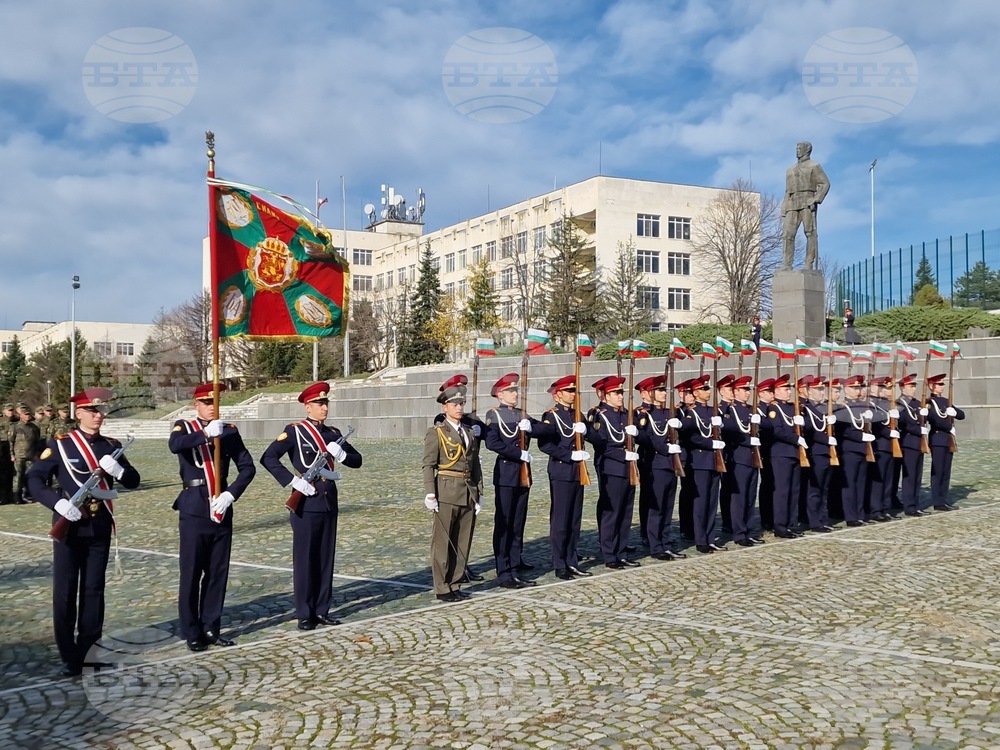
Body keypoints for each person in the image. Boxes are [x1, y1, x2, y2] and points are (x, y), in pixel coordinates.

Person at [26, 388, 140, 677]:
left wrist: (119, 472)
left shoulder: (111, 445)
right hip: (69, 525)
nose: (98, 415)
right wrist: (57, 502)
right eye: (92, 410)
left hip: (98, 525)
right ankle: (69, 655)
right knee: (65, 591)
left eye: (101, 411)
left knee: (93, 590)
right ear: (78, 413)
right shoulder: (61, 444)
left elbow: (133, 480)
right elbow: (35, 479)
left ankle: (90, 653)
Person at [262, 381, 362, 628]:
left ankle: (322, 609)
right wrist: (293, 481)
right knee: (306, 558)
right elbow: (268, 457)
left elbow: (357, 460)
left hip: (328, 501)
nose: (324, 407)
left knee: (325, 557)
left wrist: (342, 455)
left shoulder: (333, 433)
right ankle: (305, 613)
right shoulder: (295, 431)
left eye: (326, 403)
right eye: (319, 404)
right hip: (306, 501)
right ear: (308, 407)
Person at [169, 383, 256, 651]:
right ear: (196, 405)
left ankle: (211, 627)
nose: (211, 407)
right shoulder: (184, 427)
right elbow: (175, 445)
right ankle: (191, 630)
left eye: (215, 402)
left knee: (218, 571)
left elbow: (247, 467)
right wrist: (206, 434)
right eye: (206, 402)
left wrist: (231, 494)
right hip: (194, 506)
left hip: (221, 505)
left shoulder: (229, 431)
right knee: (192, 571)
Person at [421, 376, 482, 602]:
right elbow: (428, 464)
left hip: (467, 491)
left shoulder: (469, 432)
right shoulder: (436, 432)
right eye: (454, 404)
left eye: (461, 403)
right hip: (446, 490)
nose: (459, 407)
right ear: (444, 407)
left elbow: (474, 464)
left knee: (462, 541)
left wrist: (479, 492)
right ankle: (442, 586)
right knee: (443, 542)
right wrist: (430, 492)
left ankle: (455, 582)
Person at [483, 373, 540, 589]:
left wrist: (532, 428)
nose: (515, 394)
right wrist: (518, 454)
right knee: (504, 523)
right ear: (500, 394)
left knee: (518, 521)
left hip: (523, 474)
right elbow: (492, 443)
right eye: (510, 391)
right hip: (506, 473)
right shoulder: (494, 414)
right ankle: (504, 570)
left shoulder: (521, 414)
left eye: (516, 390)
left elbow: (545, 429)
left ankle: (515, 563)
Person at [536, 375, 591, 580]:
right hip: (561, 471)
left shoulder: (578, 415)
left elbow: (592, 437)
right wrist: (569, 455)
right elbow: (545, 445)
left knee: (574, 519)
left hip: (578, 472)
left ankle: (572, 560)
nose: (573, 395)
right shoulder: (551, 416)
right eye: (569, 391)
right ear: (558, 395)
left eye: (574, 391)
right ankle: (559, 563)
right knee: (560, 520)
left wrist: (587, 430)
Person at [586, 375, 641, 569]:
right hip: (610, 466)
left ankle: (621, 551)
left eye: (621, 392)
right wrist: (623, 455)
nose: (620, 396)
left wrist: (636, 434)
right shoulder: (598, 414)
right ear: (605, 396)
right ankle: (609, 554)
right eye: (616, 393)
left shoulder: (625, 414)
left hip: (629, 466)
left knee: (625, 511)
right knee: (612, 511)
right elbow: (600, 444)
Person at [677, 374, 726, 554]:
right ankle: (700, 539)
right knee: (700, 502)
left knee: (712, 502)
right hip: (699, 461)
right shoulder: (690, 412)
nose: (708, 391)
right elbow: (690, 436)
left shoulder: (713, 410)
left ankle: (710, 537)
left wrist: (721, 425)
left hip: (714, 460)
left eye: (708, 388)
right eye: (704, 389)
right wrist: (710, 444)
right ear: (695, 393)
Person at [720, 375, 763, 546]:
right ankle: (739, 532)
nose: (748, 393)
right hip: (738, 458)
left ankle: (748, 530)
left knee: (750, 497)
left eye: (748, 390)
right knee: (739, 497)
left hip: (752, 457)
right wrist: (749, 441)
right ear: (735, 392)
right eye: (744, 390)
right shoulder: (729, 411)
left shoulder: (751, 409)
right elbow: (730, 434)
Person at [766, 374, 806, 538]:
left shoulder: (792, 408)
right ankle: (780, 526)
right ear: (775, 391)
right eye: (785, 389)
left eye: (789, 389)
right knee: (782, 491)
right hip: (781, 453)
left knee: (794, 490)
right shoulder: (774, 408)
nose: (789, 392)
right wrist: (796, 439)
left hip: (795, 453)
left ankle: (790, 523)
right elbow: (778, 431)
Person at [781, 140, 830, 271]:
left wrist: (816, 199)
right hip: (792, 202)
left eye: (799, 148)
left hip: (807, 200)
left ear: (807, 150)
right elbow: (787, 190)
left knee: (809, 232)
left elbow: (825, 183)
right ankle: (786, 264)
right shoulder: (790, 169)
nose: (797, 151)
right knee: (787, 234)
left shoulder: (814, 166)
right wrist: (784, 206)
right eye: (796, 148)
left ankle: (809, 262)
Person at [926, 373, 965, 511]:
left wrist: (954, 412)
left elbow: (962, 415)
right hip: (937, 439)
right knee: (938, 471)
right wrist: (949, 427)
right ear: (931, 386)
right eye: (939, 384)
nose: (942, 386)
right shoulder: (929, 402)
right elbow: (934, 419)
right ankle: (938, 501)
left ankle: (943, 499)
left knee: (946, 471)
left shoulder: (946, 401)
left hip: (948, 440)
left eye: (942, 384)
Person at [894, 373, 928, 516]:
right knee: (909, 476)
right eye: (910, 386)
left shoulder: (916, 403)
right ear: (902, 387)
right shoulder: (899, 404)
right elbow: (902, 423)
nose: (913, 389)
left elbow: (920, 420)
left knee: (917, 476)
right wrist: (918, 430)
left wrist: (925, 414)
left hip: (918, 443)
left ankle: (915, 503)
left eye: (914, 386)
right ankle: (909, 506)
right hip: (907, 443)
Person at [12, 403, 41, 503]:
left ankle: (28, 494)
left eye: (29, 414)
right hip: (19, 456)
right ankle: (17, 496)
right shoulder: (15, 427)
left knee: (30, 475)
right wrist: (12, 454)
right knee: (18, 476)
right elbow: (11, 441)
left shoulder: (34, 427)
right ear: (21, 415)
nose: (28, 416)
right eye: (26, 414)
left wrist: (37, 453)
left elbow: (37, 441)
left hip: (31, 455)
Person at [0, 403, 15, 504]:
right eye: (8, 410)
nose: (10, 412)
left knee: (11, 474)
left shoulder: (16, 421)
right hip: (2, 449)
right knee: (2, 475)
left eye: (12, 410)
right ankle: (3, 496)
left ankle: (10, 496)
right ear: (4, 411)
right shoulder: (1, 422)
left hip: (14, 450)